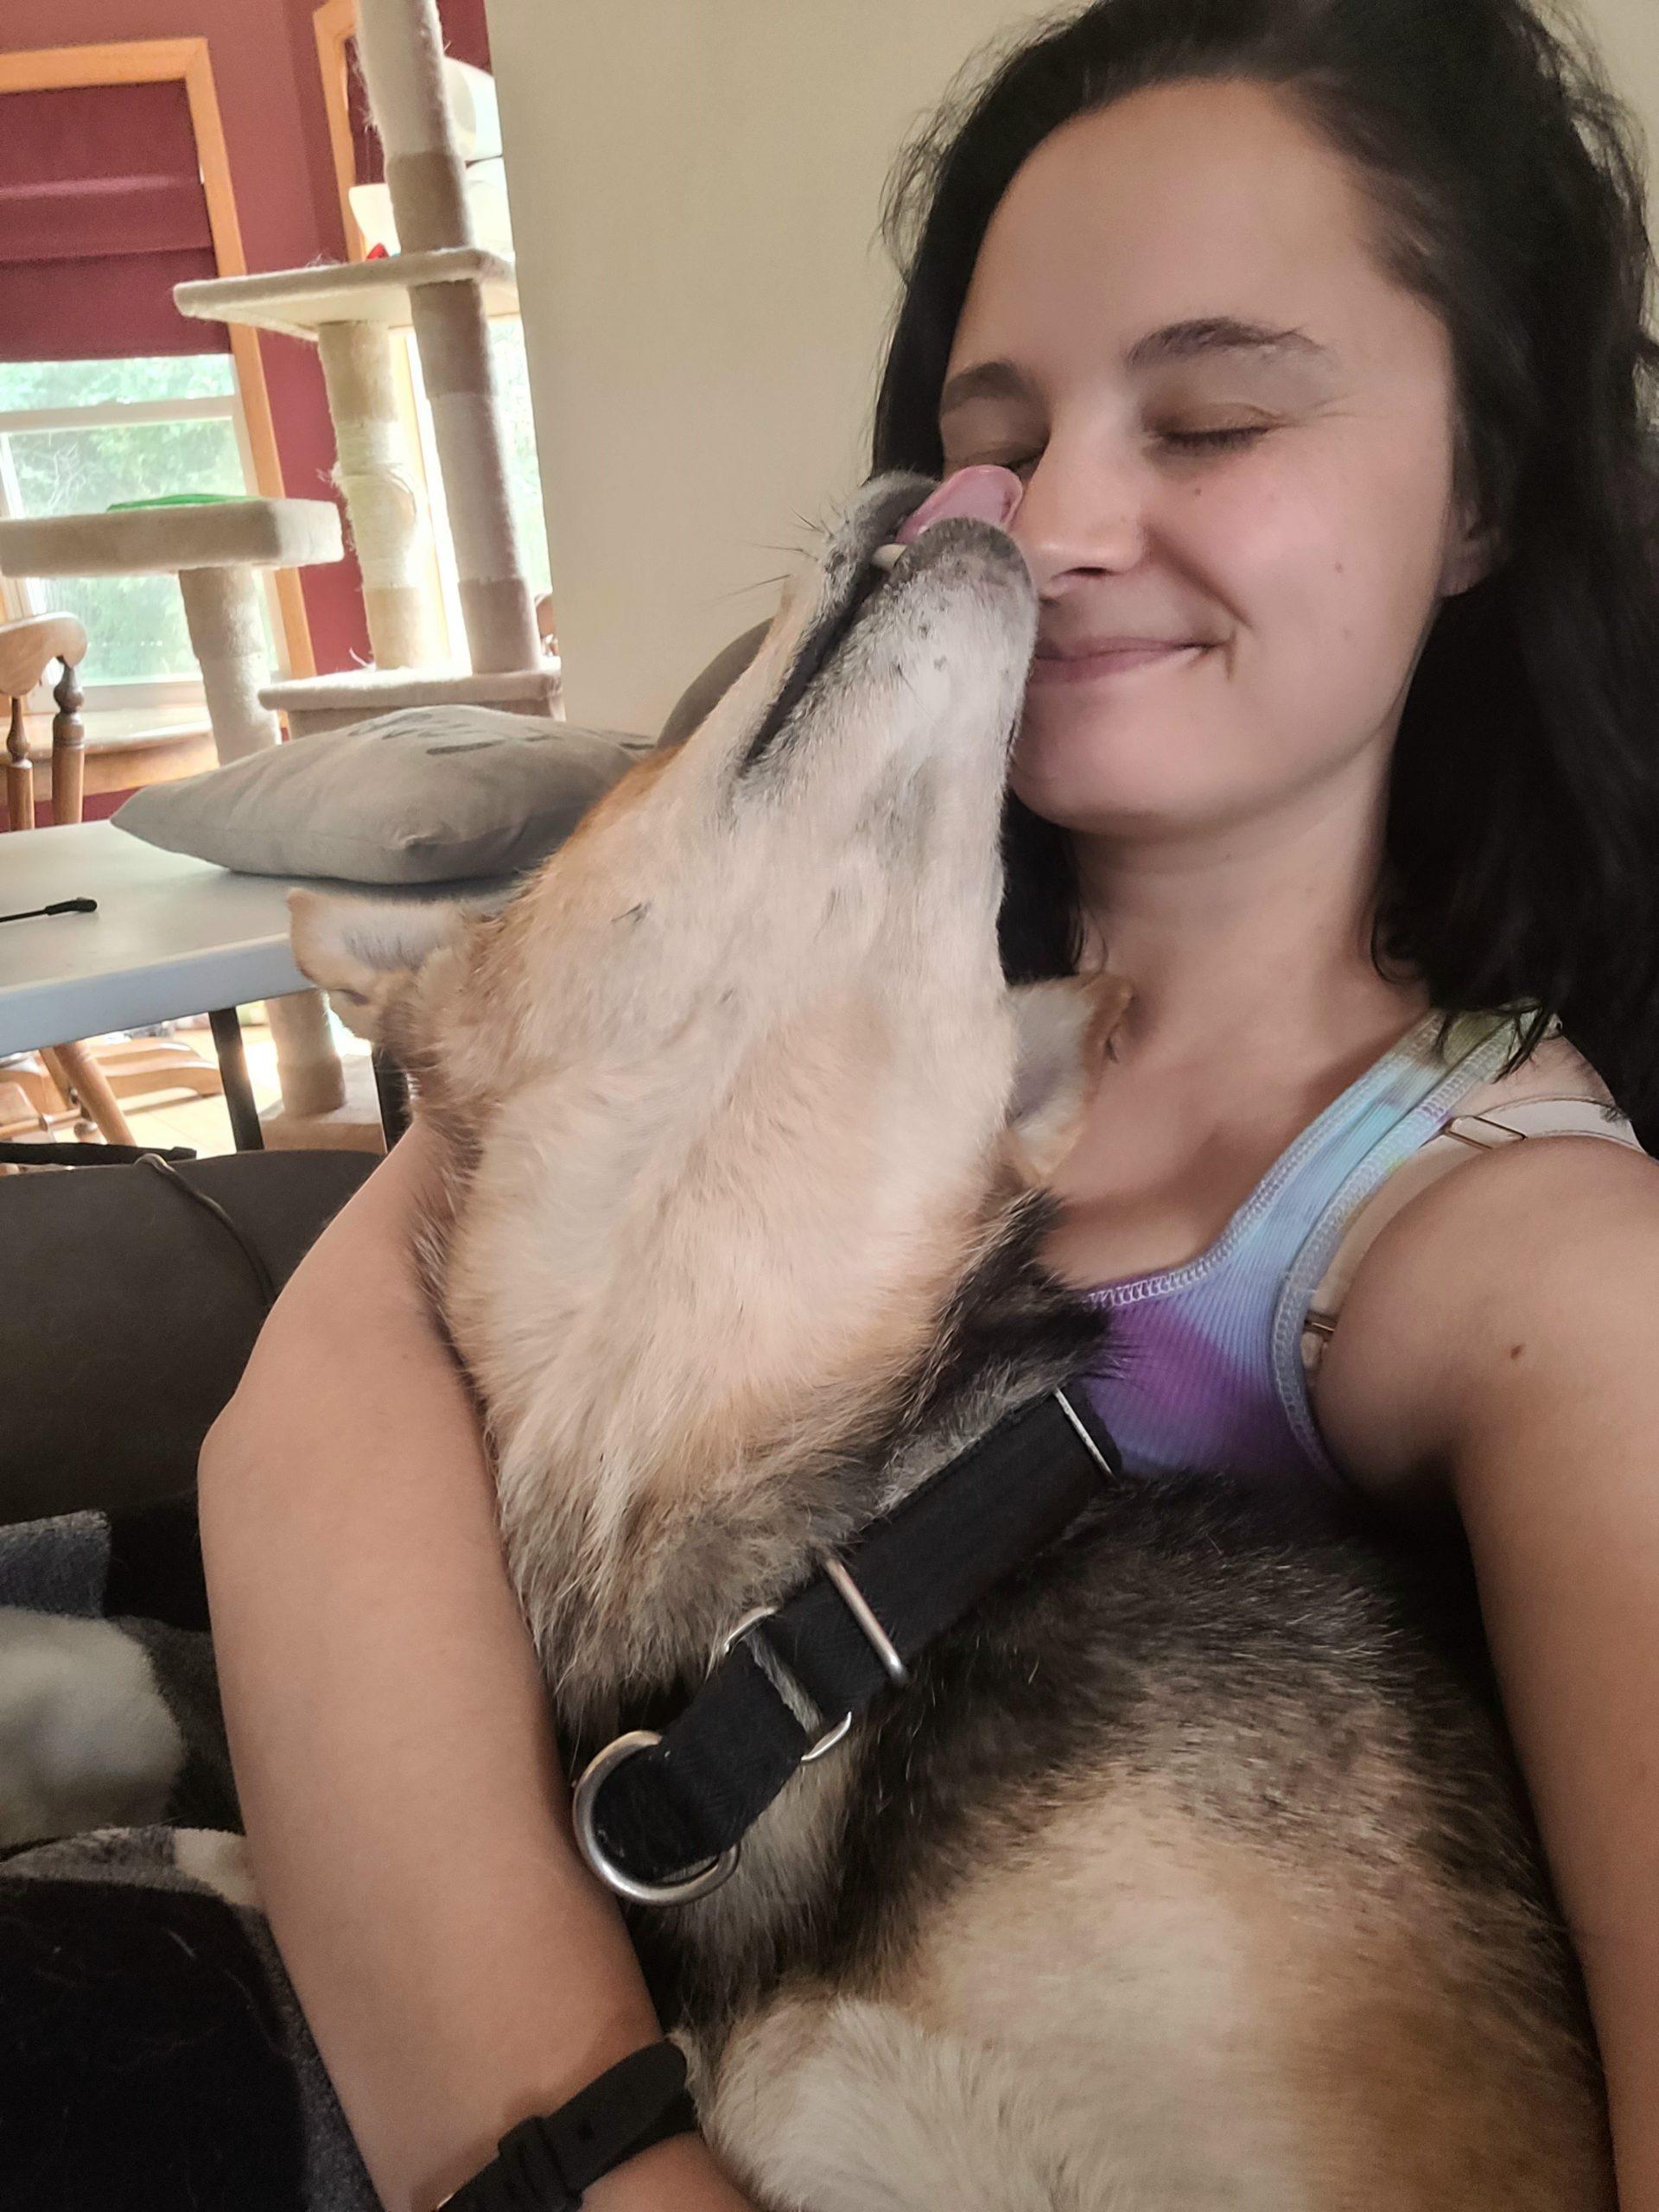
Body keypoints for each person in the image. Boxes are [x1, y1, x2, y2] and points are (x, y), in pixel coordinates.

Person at [199, 0, 1659, 2205]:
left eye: (1216, 413)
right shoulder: (781, 948)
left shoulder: (1523, 1254)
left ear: (1483, 493)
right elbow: (304, 1450)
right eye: (1000, 424)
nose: (1056, 514)